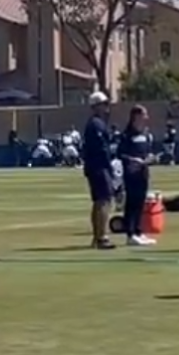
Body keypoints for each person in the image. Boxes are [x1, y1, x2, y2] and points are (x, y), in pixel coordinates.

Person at [114, 105, 156, 246]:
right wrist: (133, 160)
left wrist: (150, 158)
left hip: (143, 172)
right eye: (144, 114)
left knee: (140, 202)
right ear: (136, 116)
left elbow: (147, 151)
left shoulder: (145, 134)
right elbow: (120, 154)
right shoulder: (127, 135)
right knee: (132, 203)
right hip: (131, 173)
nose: (146, 118)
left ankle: (138, 231)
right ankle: (130, 233)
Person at [81, 92, 117, 249]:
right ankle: (102, 236)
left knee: (99, 201)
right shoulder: (96, 124)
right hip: (99, 166)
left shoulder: (97, 123)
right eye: (104, 104)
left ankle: (97, 236)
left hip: (95, 166)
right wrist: (109, 166)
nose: (107, 108)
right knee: (104, 200)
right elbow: (101, 148)